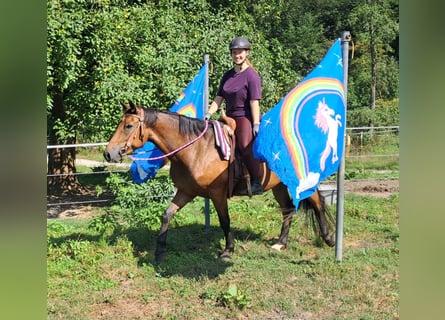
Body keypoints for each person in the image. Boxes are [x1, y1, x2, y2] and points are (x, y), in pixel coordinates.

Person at [205, 36, 263, 195]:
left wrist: (256, 123)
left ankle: (257, 181)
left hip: (244, 117)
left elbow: (254, 101)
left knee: (244, 146)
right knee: (211, 142)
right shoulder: (227, 75)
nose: (237, 55)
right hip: (228, 117)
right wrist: (208, 114)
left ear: (247, 53)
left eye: (240, 52)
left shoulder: (252, 75)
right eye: (234, 52)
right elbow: (219, 98)